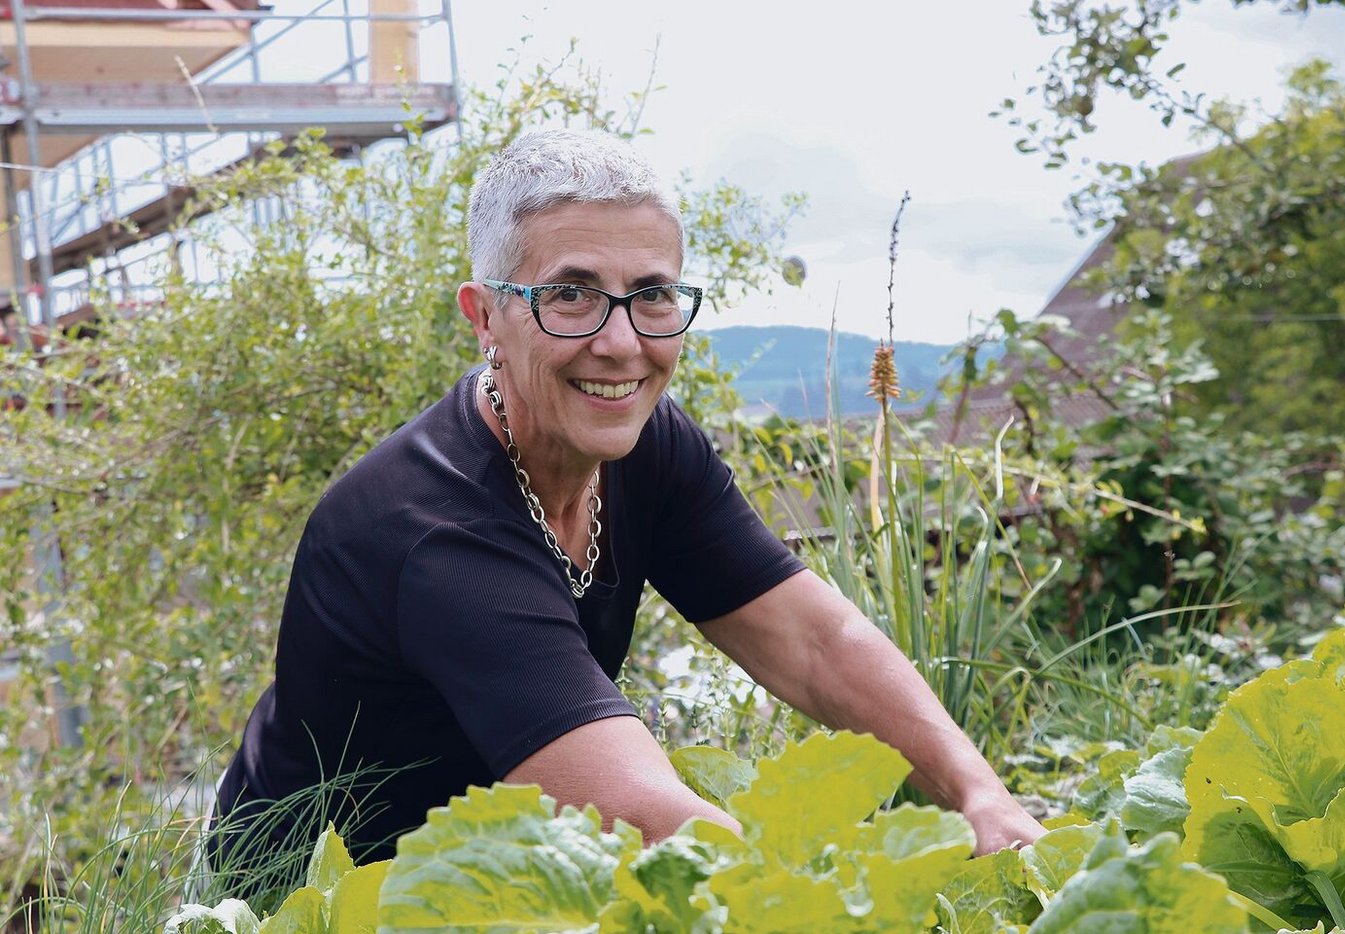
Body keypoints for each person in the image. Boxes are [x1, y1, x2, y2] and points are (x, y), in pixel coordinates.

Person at [210, 128, 1043, 882]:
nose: (621, 342)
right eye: (570, 294)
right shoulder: (426, 524)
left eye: (652, 294)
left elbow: (816, 641)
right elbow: (641, 815)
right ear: (486, 317)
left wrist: (980, 796)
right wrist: (854, 903)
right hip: (305, 902)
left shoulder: (645, 443)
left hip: (500, 878)